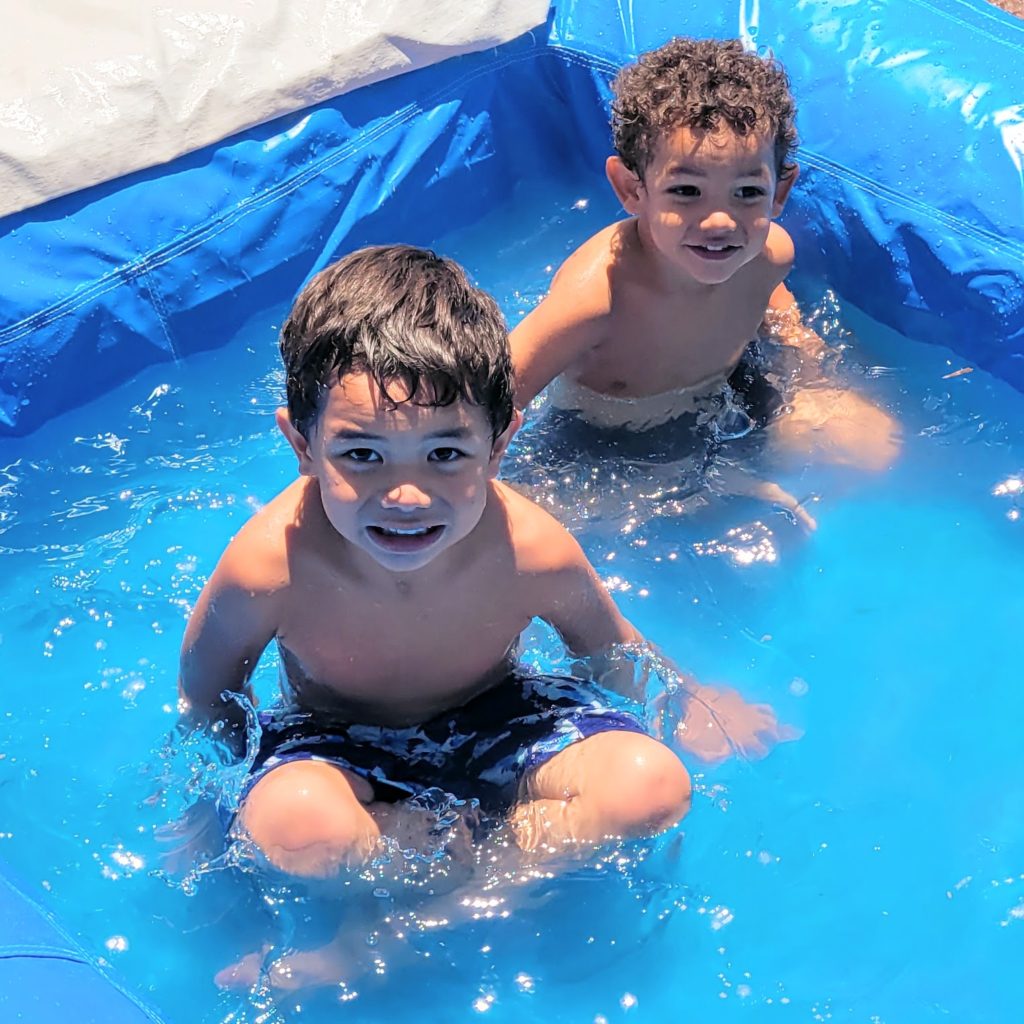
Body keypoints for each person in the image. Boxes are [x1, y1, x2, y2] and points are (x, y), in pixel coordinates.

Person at [177, 244, 788, 988]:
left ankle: (406, 923)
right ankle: (427, 866)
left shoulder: (529, 547)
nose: (406, 494)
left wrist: (690, 698)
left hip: (505, 717)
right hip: (336, 743)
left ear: (500, 445)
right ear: (301, 444)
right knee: (298, 827)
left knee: (651, 788)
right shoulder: (268, 565)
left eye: (444, 453)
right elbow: (210, 700)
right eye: (362, 454)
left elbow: (608, 647)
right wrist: (199, 828)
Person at [509, 38, 900, 526]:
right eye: (687, 191)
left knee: (873, 447)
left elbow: (768, 293)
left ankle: (726, 480)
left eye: (747, 192)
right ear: (633, 189)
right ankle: (711, 486)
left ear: (779, 194)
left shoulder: (769, 253)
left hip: (726, 393)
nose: (720, 221)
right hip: (600, 442)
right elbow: (489, 400)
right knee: (544, 517)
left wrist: (806, 360)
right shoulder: (597, 298)